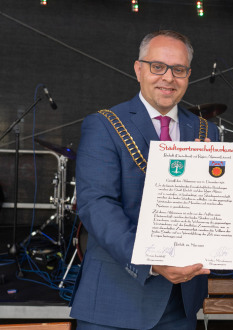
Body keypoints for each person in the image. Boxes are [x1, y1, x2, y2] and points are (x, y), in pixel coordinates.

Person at [71, 30, 219, 329]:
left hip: (180, 306)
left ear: (188, 75)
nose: (168, 78)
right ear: (138, 69)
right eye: (157, 67)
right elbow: (97, 206)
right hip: (115, 304)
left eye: (178, 70)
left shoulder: (206, 132)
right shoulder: (104, 124)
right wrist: (151, 262)